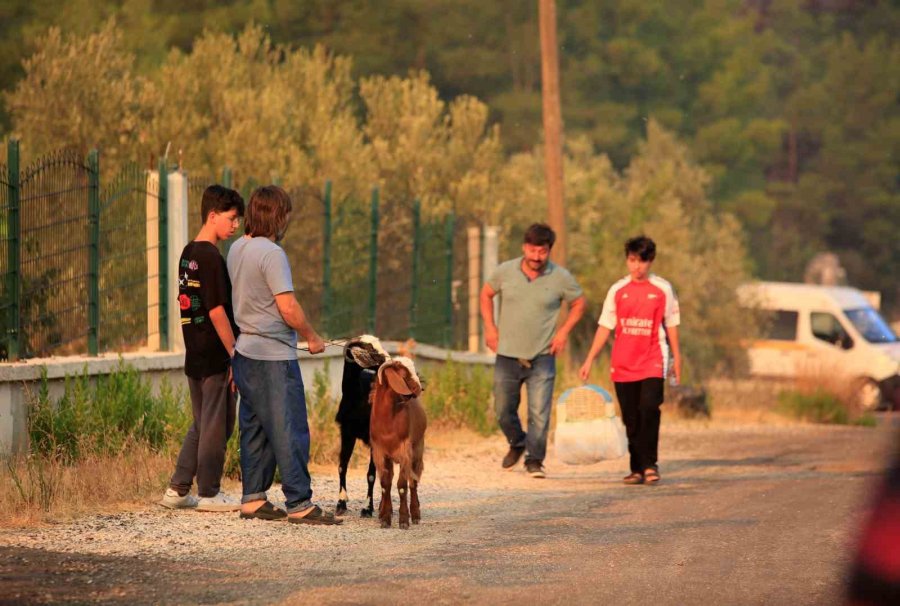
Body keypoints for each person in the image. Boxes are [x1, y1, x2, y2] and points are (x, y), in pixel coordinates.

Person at [227, 185, 341, 525]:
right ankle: (300, 503)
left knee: (255, 427)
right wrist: (312, 336)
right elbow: (288, 307)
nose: (287, 221)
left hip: (244, 350)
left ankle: (253, 498)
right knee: (289, 426)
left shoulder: (237, 248)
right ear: (277, 215)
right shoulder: (273, 254)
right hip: (274, 356)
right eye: (286, 214)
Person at [160, 185, 244, 512]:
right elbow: (216, 311)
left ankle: (178, 490)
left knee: (204, 422)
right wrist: (234, 354)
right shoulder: (211, 257)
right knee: (216, 424)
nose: (235, 225)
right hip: (214, 354)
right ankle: (209, 493)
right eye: (231, 218)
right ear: (212, 216)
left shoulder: (188, 253)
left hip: (193, 352)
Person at [480, 223, 586, 478]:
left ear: (549, 250)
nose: (537, 257)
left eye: (543, 251)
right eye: (532, 250)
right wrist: (490, 328)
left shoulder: (560, 277)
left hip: (543, 355)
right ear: (524, 247)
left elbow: (579, 303)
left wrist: (563, 332)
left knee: (539, 412)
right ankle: (517, 443)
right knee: (503, 409)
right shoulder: (505, 271)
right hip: (507, 353)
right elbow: (486, 294)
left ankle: (534, 460)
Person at [579, 235, 681, 485]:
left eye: (643, 261)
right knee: (630, 417)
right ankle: (636, 467)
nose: (638, 267)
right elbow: (605, 326)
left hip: (653, 360)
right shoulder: (617, 290)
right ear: (627, 260)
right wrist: (589, 358)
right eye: (633, 260)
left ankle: (650, 465)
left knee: (649, 408)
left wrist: (677, 358)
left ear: (651, 261)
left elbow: (672, 324)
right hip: (623, 363)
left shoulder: (662, 289)